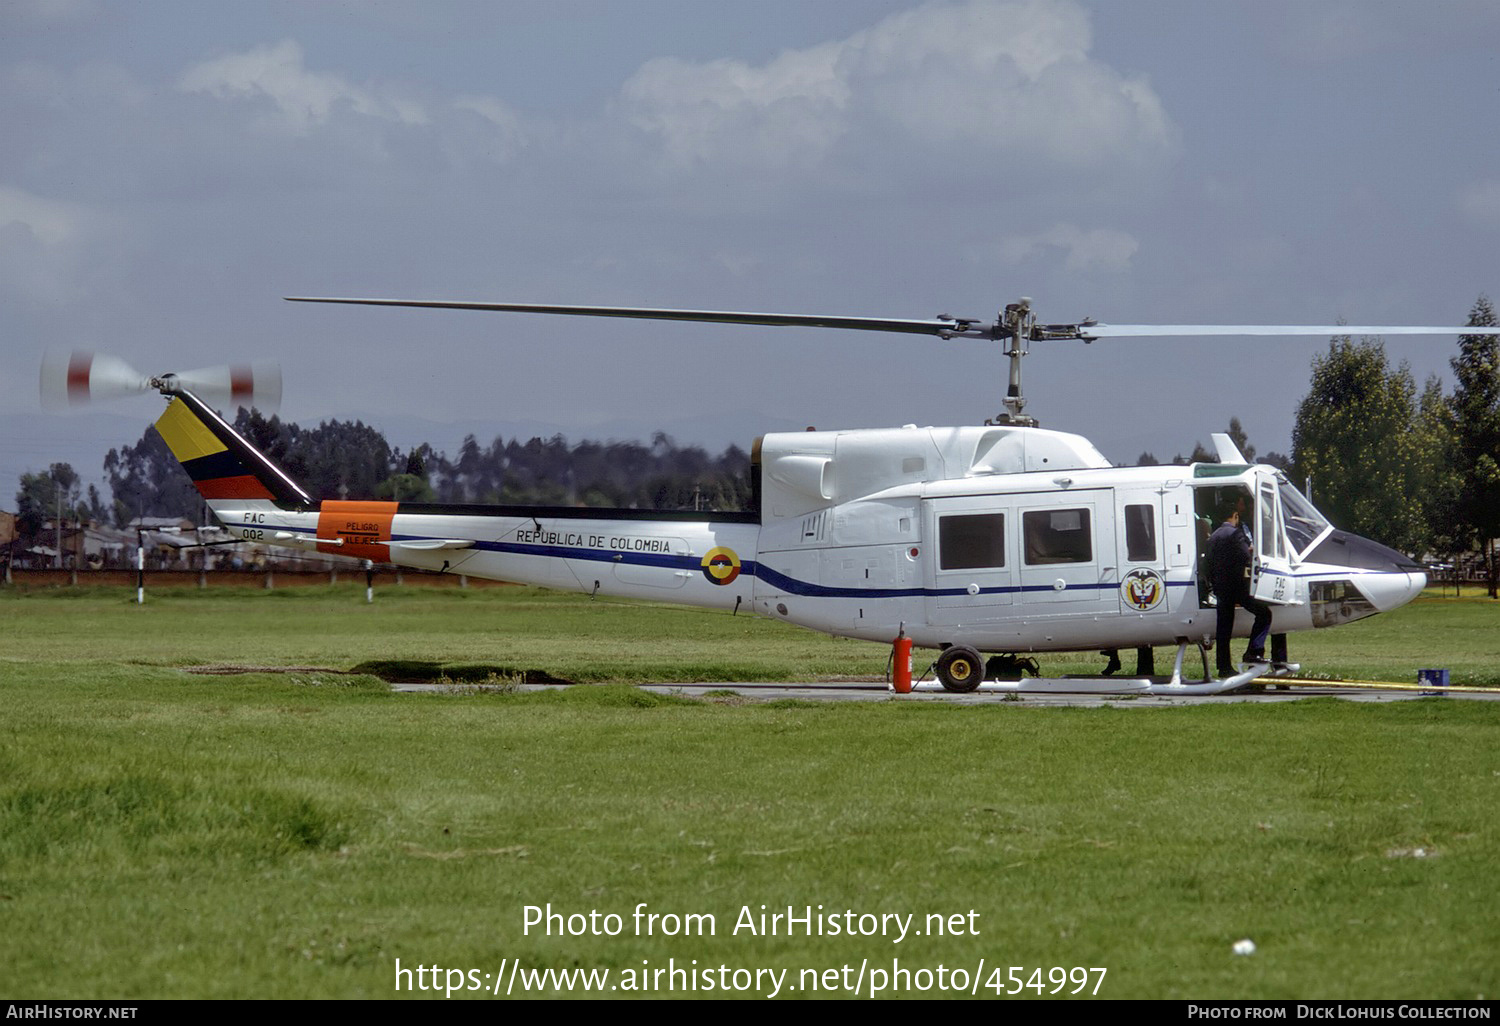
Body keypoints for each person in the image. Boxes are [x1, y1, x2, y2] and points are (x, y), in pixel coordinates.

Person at [1206, 498, 1272, 678]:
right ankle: (1254, 650)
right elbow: (1246, 557)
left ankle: (1224, 666)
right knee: (1264, 614)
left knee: (1223, 629)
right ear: (1235, 516)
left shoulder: (1214, 536)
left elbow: (1208, 564)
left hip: (1220, 587)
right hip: (1237, 586)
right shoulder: (1235, 534)